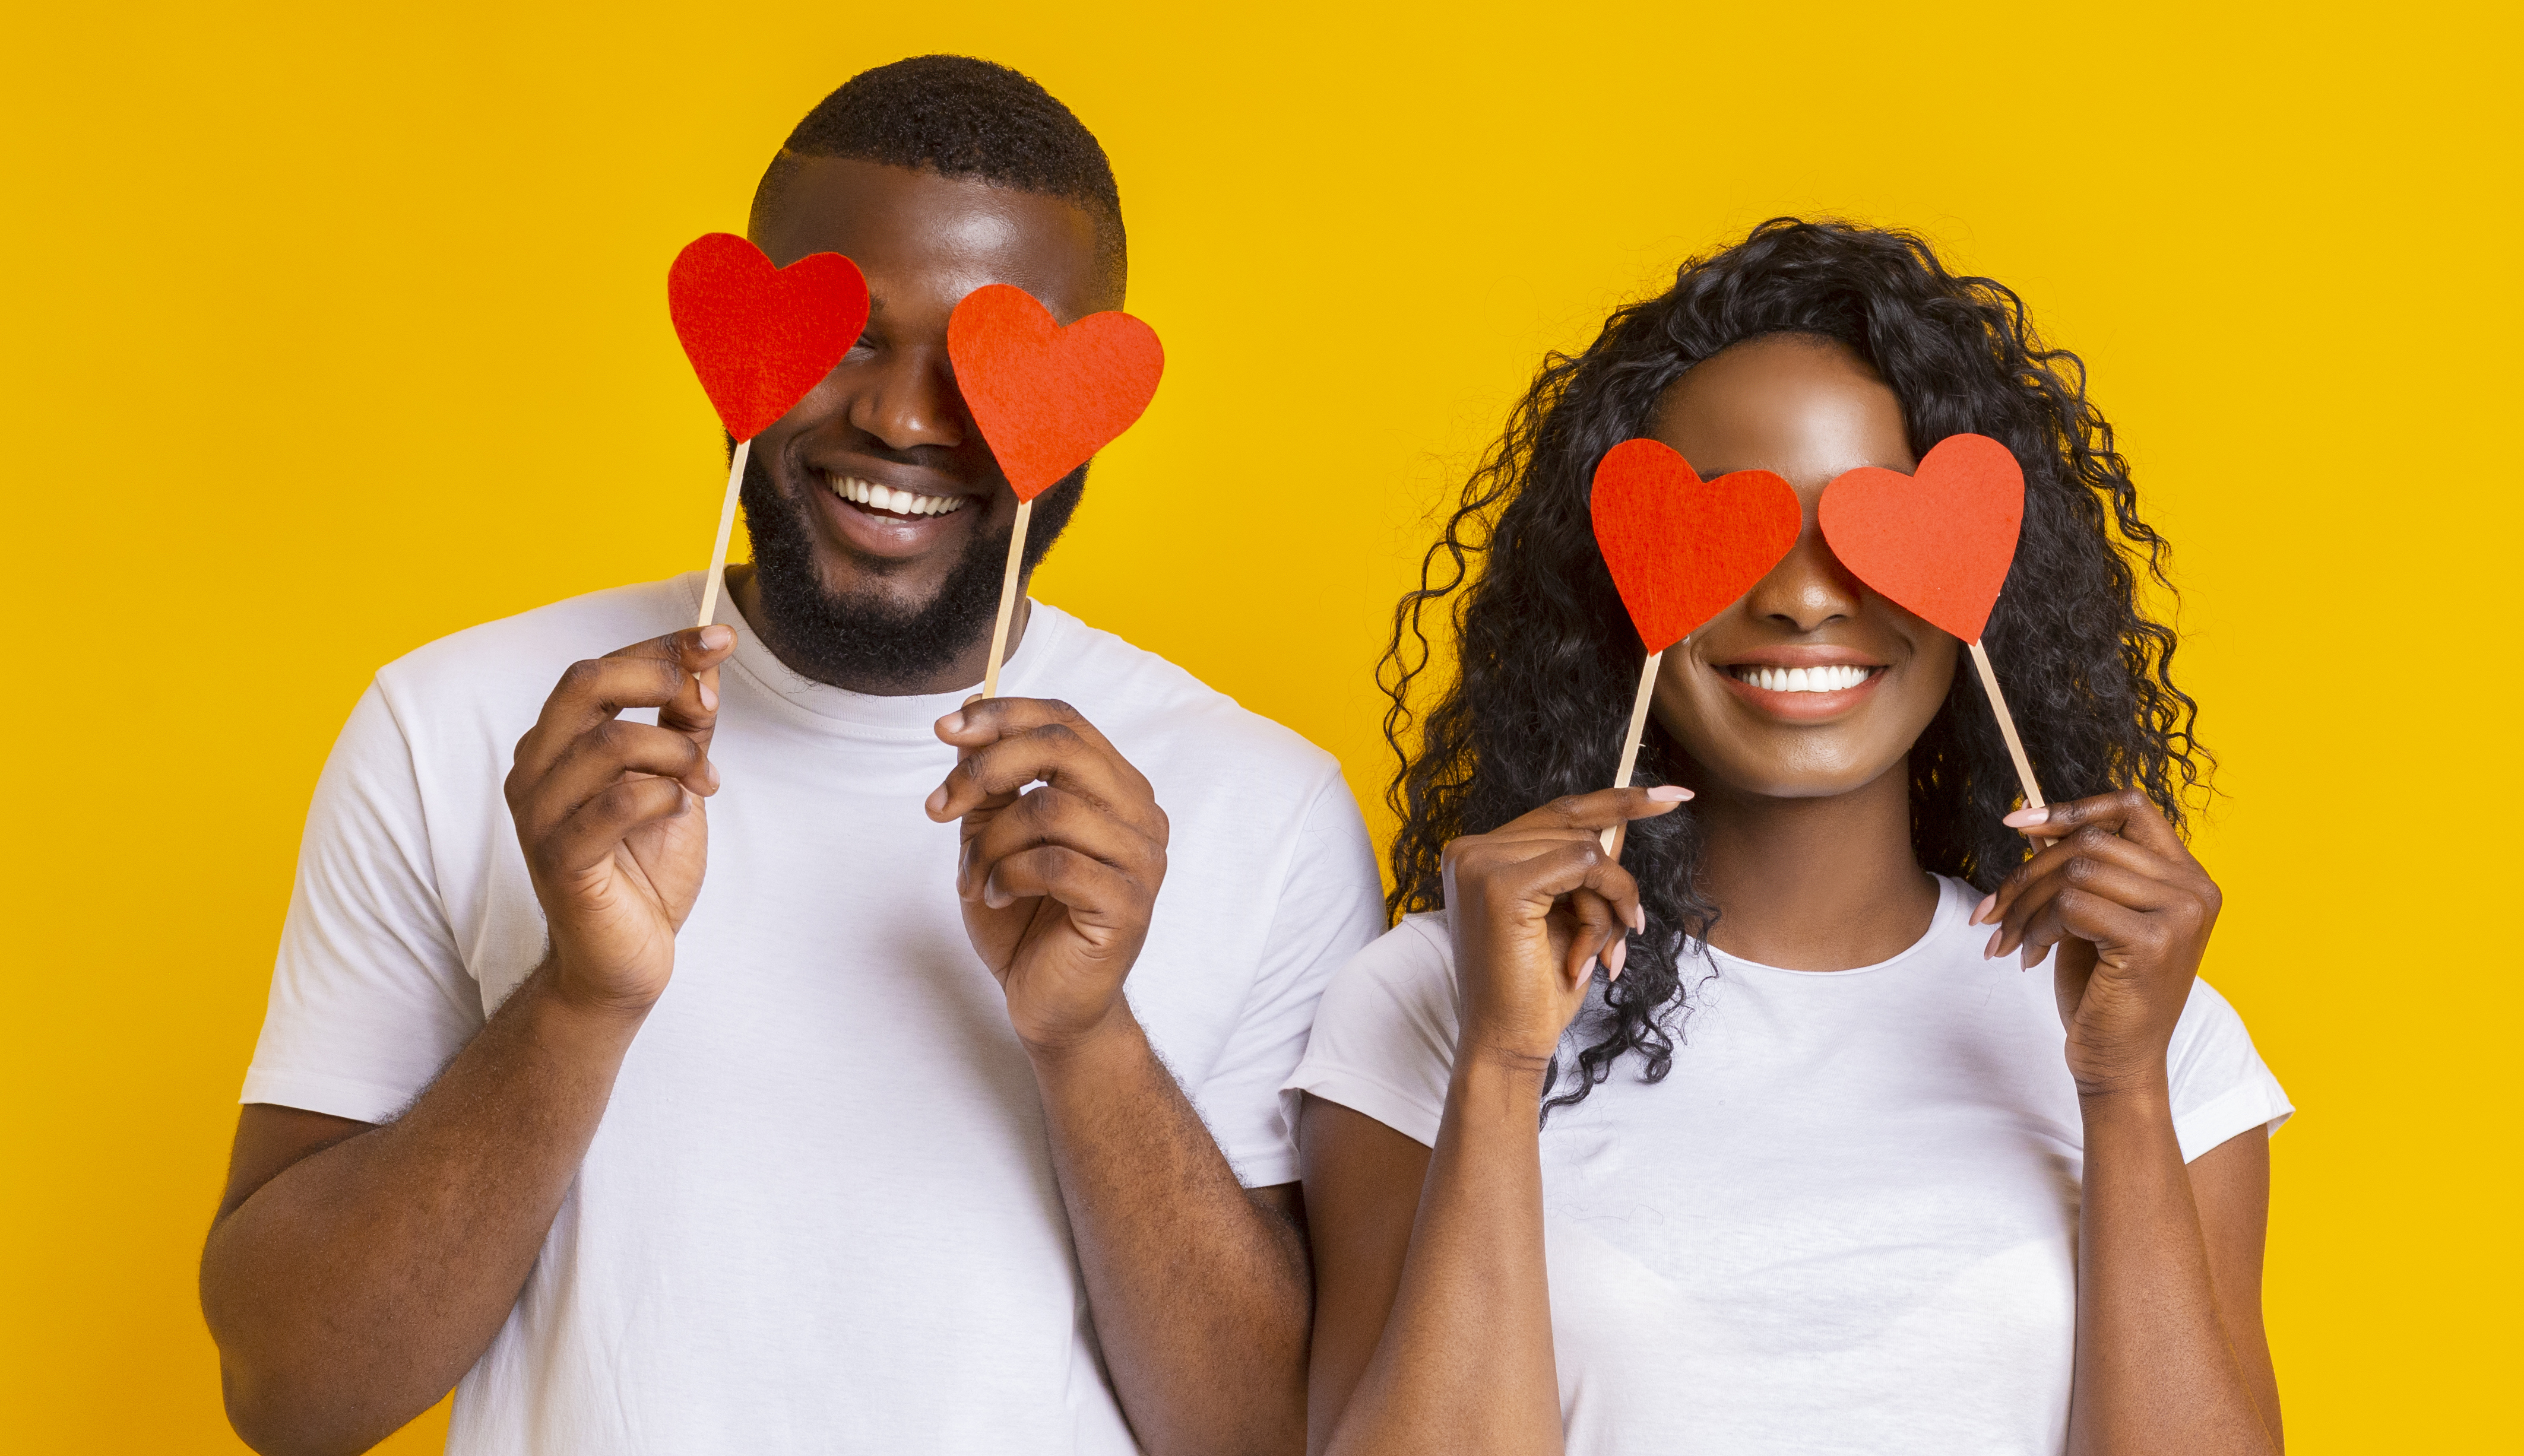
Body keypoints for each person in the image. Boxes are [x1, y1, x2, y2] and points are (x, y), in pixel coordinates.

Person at [201, 55, 1383, 1456]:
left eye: (985, 360)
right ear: (736, 349)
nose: (900, 418)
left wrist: (1087, 1036)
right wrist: (581, 1001)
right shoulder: (456, 725)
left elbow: (1265, 1438)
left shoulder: (1261, 806)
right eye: (847, 334)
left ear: (1088, 410)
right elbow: (292, 1393)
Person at [1289, 220, 2290, 1455]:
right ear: (1617, 576)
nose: (1804, 595)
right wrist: (1501, 1065)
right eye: (1736, 528)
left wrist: (2121, 1090)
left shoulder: (2159, 1027)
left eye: (1869, 530)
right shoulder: (1427, 1004)